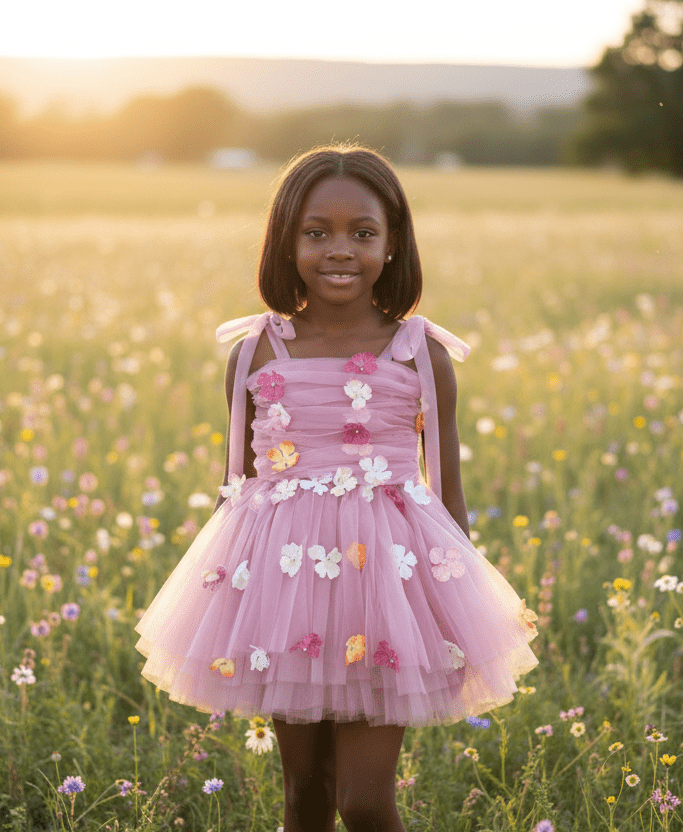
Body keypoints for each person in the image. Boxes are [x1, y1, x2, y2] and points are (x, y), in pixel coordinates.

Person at [135, 144, 538, 832]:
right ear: (286, 240)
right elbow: (236, 485)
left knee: (364, 800)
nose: (339, 250)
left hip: (389, 585)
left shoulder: (419, 351)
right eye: (316, 233)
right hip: (283, 586)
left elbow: (447, 490)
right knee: (305, 799)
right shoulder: (257, 350)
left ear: (393, 242)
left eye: (363, 232)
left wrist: (455, 602)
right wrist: (225, 597)